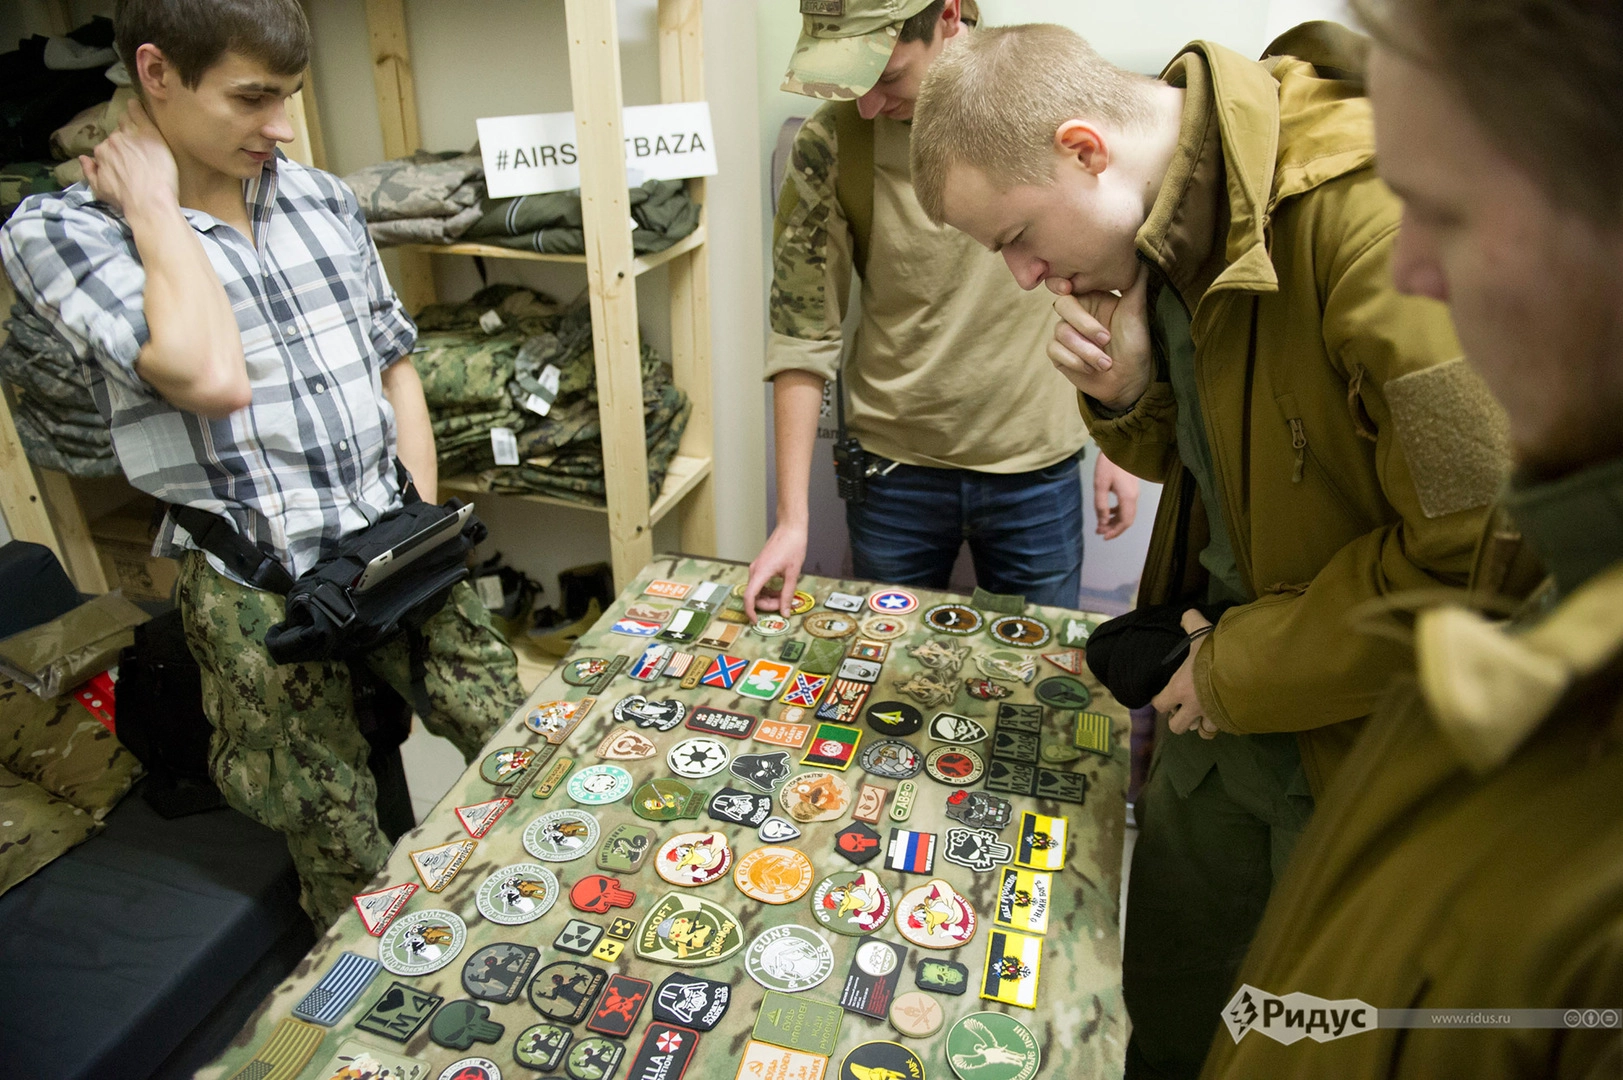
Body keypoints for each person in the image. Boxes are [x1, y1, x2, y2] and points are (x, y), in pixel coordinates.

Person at [910, 21, 1507, 1078]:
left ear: (1084, 149)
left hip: (1368, 751)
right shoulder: (1172, 221)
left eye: (1016, 236)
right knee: (1173, 1011)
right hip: (1221, 721)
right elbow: (1237, 471)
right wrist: (1130, 395)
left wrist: (1232, 669)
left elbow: (1487, 573)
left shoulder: (1375, 228)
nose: (1022, 274)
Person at [0, 0, 520, 930]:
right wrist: (153, 210)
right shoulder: (64, 230)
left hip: (395, 546)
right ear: (156, 73)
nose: (279, 126)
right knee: (337, 840)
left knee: (524, 745)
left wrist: (421, 525)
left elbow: (394, 363)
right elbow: (208, 376)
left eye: (289, 97)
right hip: (261, 587)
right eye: (251, 98)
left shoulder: (317, 197)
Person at [1200, 0, 1623, 1076]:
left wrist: (1230, 668)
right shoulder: (1561, 593)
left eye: (1446, 212)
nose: (1413, 271)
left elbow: (1450, 553)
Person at [743, 0, 1139, 619]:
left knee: (1036, 673)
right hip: (894, 473)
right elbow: (802, 330)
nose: (868, 103)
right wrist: (792, 520)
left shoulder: (1049, 101)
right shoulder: (836, 139)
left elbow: (1119, 266)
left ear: (949, 15)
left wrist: (1123, 441)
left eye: (887, 76)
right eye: (854, 82)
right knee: (882, 665)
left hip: (1036, 466)